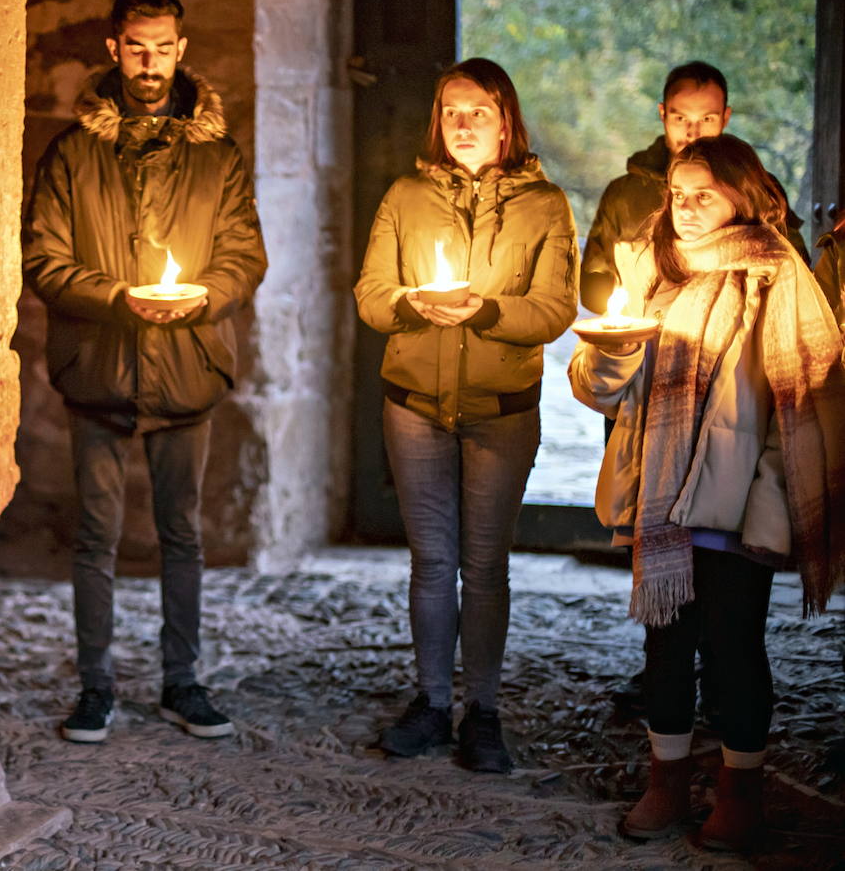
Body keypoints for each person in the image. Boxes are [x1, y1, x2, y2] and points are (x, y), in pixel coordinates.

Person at [568, 135, 845, 851]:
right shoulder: (649, 268)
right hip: (663, 497)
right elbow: (595, 389)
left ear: (741, 197)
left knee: (734, 649)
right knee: (665, 645)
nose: (685, 209)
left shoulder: (775, 274)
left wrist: (771, 494)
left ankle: (739, 792)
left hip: (738, 497)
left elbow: (804, 394)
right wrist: (613, 349)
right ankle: (666, 784)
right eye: (677, 195)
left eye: (704, 195)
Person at [23, 0, 267, 743]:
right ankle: (96, 686)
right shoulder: (73, 152)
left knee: (182, 533)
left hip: (186, 367)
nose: (150, 63)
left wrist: (199, 300)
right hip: (99, 367)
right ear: (113, 50)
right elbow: (43, 258)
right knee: (95, 535)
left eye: (163, 48)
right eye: (137, 48)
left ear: (181, 50)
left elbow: (244, 255)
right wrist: (119, 298)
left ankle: (181, 682)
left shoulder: (216, 155)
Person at [354, 58, 579, 773]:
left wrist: (483, 310)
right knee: (431, 562)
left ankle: (482, 710)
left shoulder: (545, 205)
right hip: (415, 407)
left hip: (501, 413)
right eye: (451, 111)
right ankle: (429, 702)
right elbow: (369, 293)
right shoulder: (406, 194)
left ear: (506, 119)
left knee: (485, 567)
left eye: (478, 110)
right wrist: (406, 305)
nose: (463, 124)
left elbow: (553, 309)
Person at [581, 60, 808, 316]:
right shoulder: (624, 194)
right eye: (681, 118)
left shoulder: (756, 188)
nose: (693, 132)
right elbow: (593, 285)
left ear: (725, 117)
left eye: (706, 118)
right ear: (663, 113)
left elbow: (796, 276)